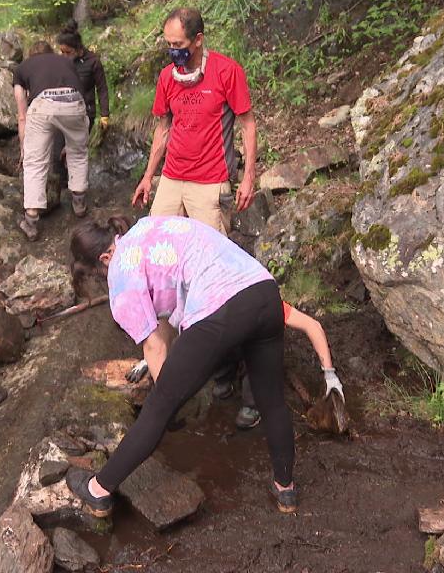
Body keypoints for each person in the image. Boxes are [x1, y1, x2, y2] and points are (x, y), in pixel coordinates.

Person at [65, 215, 298, 516]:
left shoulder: (121, 273)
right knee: (273, 401)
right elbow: (163, 324)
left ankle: (98, 489)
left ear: (105, 257)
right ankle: (285, 489)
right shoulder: (148, 227)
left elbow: (154, 345)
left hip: (220, 307)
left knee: (156, 409)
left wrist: (167, 405)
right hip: (263, 292)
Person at [131, 7, 258, 236]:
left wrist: (249, 176)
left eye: (178, 45)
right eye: (169, 44)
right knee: (158, 242)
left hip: (210, 181)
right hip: (172, 177)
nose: (172, 51)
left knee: (210, 254)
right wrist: (148, 176)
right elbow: (163, 128)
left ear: (198, 39)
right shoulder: (167, 76)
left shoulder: (227, 72)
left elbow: (248, 124)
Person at [216, 303, 344, 429]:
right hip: (231, 336)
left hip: (228, 334)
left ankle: (224, 380)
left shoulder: (263, 302)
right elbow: (312, 325)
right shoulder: (256, 303)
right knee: (260, 349)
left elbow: (312, 326)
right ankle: (251, 403)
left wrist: (329, 374)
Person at [13, 40, 90, 241]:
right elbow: (81, 89)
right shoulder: (65, 61)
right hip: (74, 101)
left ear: (30, 56)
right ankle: (79, 202)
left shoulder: (22, 68)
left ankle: (31, 219)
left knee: (35, 162)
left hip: (43, 104)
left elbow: (22, 115)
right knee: (78, 152)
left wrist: (24, 147)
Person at [50, 21, 110, 195]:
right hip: (62, 112)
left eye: (67, 52)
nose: (64, 55)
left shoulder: (93, 62)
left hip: (85, 113)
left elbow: (102, 88)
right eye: (61, 51)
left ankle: (78, 191)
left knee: (75, 152)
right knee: (57, 153)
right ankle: (61, 191)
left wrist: (105, 114)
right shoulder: (61, 62)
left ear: (77, 48)